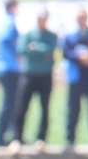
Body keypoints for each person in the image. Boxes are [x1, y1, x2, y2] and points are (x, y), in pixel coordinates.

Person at [59, 6, 88, 151]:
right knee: (73, 111)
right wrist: (79, 57)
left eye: (83, 17)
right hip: (75, 78)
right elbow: (66, 53)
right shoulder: (70, 37)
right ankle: (70, 140)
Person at [17, 10, 59, 147]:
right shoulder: (29, 34)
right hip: (29, 74)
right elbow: (22, 50)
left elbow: (49, 50)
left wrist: (35, 48)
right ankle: (17, 137)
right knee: (22, 106)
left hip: (45, 75)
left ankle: (41, 138)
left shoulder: (51, 35)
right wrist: (40, 51)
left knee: (45, 107)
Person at [0, 0, 25, 146]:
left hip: (3, 67)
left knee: (11, 103)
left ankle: (14, 135)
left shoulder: (2, 22)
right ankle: (0, 137)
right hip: (10, 67)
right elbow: (8, 40)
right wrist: (18, 53)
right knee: (9, 103)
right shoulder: (10, 23)